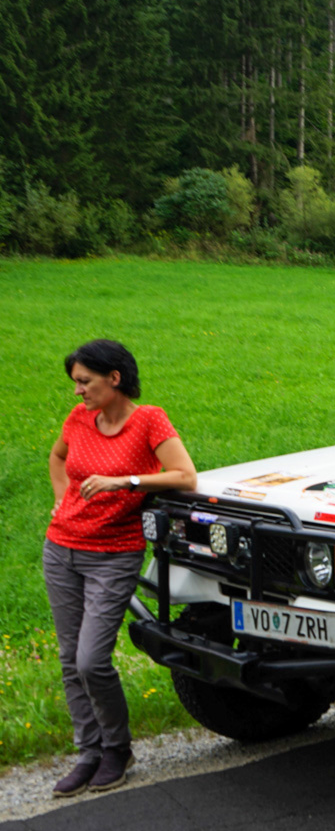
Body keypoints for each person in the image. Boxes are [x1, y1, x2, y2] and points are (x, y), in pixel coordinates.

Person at [43, 340, 197, 797]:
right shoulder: (79, 419)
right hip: (61, 550)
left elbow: (185, 476)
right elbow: (57, 457)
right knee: (70, 659)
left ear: (114, 378)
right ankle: (88, 753)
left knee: (91, 660)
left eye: (84, 381)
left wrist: (124, 481)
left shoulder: (149, 420)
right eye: (75, 382)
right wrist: (61, 500)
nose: (78, 391)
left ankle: (117, 748)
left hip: (113, 555)